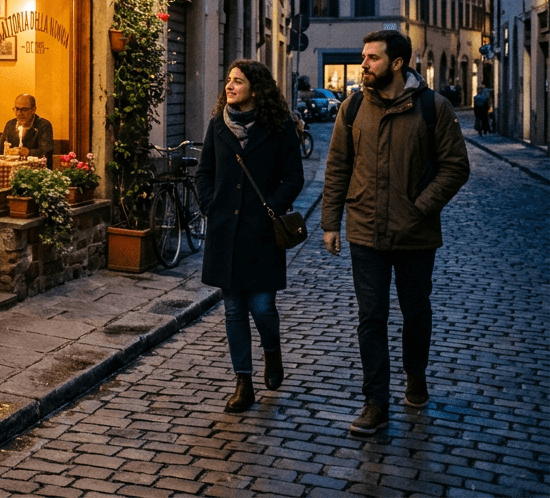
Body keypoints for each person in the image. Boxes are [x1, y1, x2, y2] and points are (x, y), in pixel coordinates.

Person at [322, 30, 470, 436]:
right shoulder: (352, 108)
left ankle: (415, 376)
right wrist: (331, 222)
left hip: (415, 235)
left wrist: (421, 206)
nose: (364, 64)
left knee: (416, 312)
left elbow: (456, 167)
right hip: (365, 231)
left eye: (372, 58)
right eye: (363, 56)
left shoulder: (432, 107)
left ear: (397, 63)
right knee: (371, 317)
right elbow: (337, 167)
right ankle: (375, 402)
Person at [195, 60, 304, 414]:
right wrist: (211, 205)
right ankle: (244, 382)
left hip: (262, 233)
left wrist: (271, 206)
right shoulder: (218, 125)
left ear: (255, 89)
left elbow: (293, 177)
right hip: (226, 232)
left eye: (238, 81)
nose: (229, 86)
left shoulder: (279, 127)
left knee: (262, 306)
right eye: (228, 80)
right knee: (233, 310)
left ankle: (272, 352)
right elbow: (204, 173)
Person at [0, 94, 55, 166]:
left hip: (36, 170)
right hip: (12, 169)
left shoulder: (43, 125)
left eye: (24, 110)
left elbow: (46, 151)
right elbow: (0, 149)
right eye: (17, 109)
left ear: (33, 110)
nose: (19, 113)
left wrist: (28, 152)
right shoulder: (10, 124)